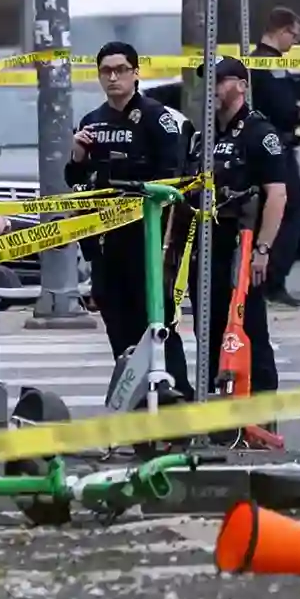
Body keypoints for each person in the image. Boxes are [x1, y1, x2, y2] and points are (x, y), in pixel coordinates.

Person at [67, 40, 194, 398]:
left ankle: (176, 395)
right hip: (106, 242)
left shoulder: (158, 118)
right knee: (118, 326)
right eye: (105, 71)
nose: (113, 78)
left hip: (149, 238)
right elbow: (77, 184)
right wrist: (77, 157)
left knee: (155, 323)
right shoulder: (92, 122)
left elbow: (175, 180)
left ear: (136, 73)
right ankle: (134, 398)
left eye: (120, 70)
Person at [206, 55, 288, 433]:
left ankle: (262, 416)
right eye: (209, 80)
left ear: (240, 85)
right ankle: (222, 417)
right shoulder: (203, 135)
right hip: (208, 243)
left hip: (244, 241)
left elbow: (277, 195)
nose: (213, 88)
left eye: (220, 81)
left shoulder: (259, 133)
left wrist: (263, 251)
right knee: (210, 328)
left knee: (250, 327)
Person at [246, 5, 300, 307]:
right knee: (289, 213)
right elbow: (285, 109)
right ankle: (274, 282)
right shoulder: (272, 64)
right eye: (293, 34)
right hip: (277, 147)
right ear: (281, 31)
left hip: (257, 145)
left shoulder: (253, 60)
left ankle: (257, 280)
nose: (294, 41)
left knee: (260, 215)